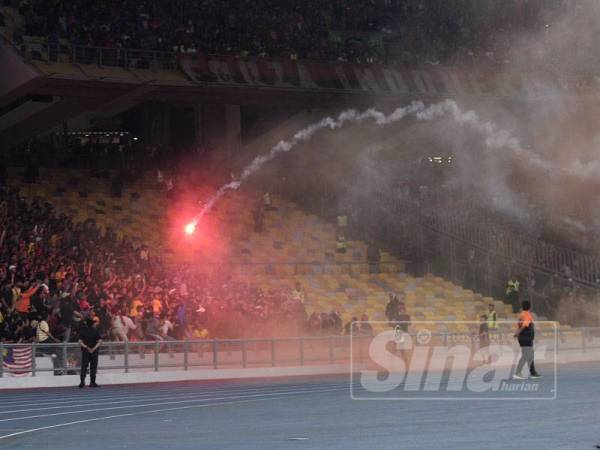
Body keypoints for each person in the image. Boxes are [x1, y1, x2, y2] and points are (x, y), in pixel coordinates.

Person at [513, 300, 541, 379]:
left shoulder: (521, 314)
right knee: (527, 355)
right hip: (526, 338)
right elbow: (524, 326)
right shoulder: (527, 315)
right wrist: (517, 332)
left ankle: (532, 372)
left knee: (529, 355)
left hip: (523, 338)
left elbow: (520, 325)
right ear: (530, 307)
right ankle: (518, 372)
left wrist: (517, 333)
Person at [78, 317, 102, 388]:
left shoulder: (83, 331)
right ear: (92, 324)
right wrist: (94, 348)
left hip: (85, 351)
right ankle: (92, 382)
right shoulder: (95, 331)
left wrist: (86, 347)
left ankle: (82, 381)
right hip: (94, 352)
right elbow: (100, 341)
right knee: (93, 367)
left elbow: (80, 341)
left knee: (84, 366)